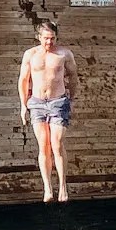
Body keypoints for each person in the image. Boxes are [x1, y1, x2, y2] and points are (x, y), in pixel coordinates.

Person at [17, 18, 78, 203]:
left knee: (56, 143)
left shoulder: (64, 54)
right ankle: (47, 188)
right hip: (37, 102)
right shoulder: (30, 54)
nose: (49, 42)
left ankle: (63, 187)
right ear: (39, 37)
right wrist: (23, 105)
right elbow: (23, 80)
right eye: (45, 38)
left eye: (52, 38)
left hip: (58, 101)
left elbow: (73, 77)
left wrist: (72, 99)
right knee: (43, 145)